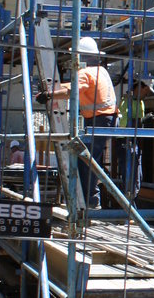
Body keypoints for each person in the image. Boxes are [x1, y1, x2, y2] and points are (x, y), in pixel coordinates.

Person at [47, 37, 117, 210]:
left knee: (86, 160)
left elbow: (73, 90)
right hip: (105, 120)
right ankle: (89, 199)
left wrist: (50, 95)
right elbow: (73, 85)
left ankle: (90, 201)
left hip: (99, 120)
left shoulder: (85, 73)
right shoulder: (100, 71)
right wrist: (54, 88)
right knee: (88, 159)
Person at [117, 75, 153, 201]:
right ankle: (128, 208)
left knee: (137, 178)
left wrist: (141, 122)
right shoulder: (126, 102)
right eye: (146, 91)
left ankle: (130, 207)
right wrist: (140, 121)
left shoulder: (140, 103)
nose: (146, 95)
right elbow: (123, 125)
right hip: (125, 142)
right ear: (139, 86)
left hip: (135, 142)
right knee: (130, 177)